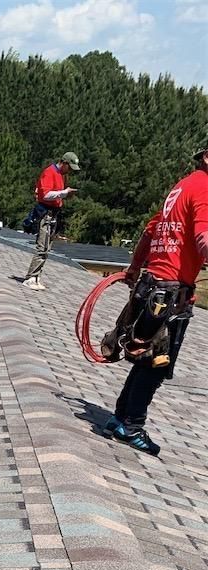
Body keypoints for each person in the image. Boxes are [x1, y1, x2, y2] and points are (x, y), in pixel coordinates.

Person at [104, 134, 208, 456]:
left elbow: (151, 231)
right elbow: (204, 238)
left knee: (147, 358)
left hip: (152, 285)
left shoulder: (180, 188)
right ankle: (131, 425)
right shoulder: (204, 188)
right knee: (157, 364)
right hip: (171, 293)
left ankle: (120, 418)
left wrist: (135, 268)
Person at [21, 152, 81, 290]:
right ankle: (30, 277)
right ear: (64, 163)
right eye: (70, 167)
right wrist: (64, 193)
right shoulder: (49, 172)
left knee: (47, 248)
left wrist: (65, 195)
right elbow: (45, 194)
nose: (70, 171)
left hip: (53, 214)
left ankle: (36, 277)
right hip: (45, 214)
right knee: (42, 247)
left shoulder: (61, 175)